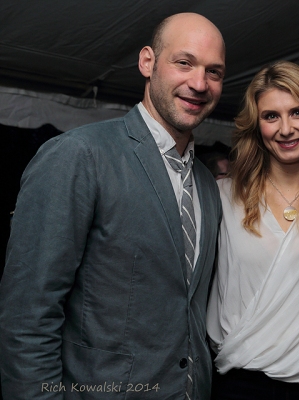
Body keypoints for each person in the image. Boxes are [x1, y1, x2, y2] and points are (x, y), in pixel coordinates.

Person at [0, 13, 225, 400]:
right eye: (184, 62)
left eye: (214, 72)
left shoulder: (206, 183)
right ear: (147, 62)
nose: (199, 83)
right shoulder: (79, 155)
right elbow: (28, 317)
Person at [207, 61, 299, 399]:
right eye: (271, 116)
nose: (285, 129)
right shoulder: (223, 195)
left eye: (298, 112)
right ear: (256, 125)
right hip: (240, 382)